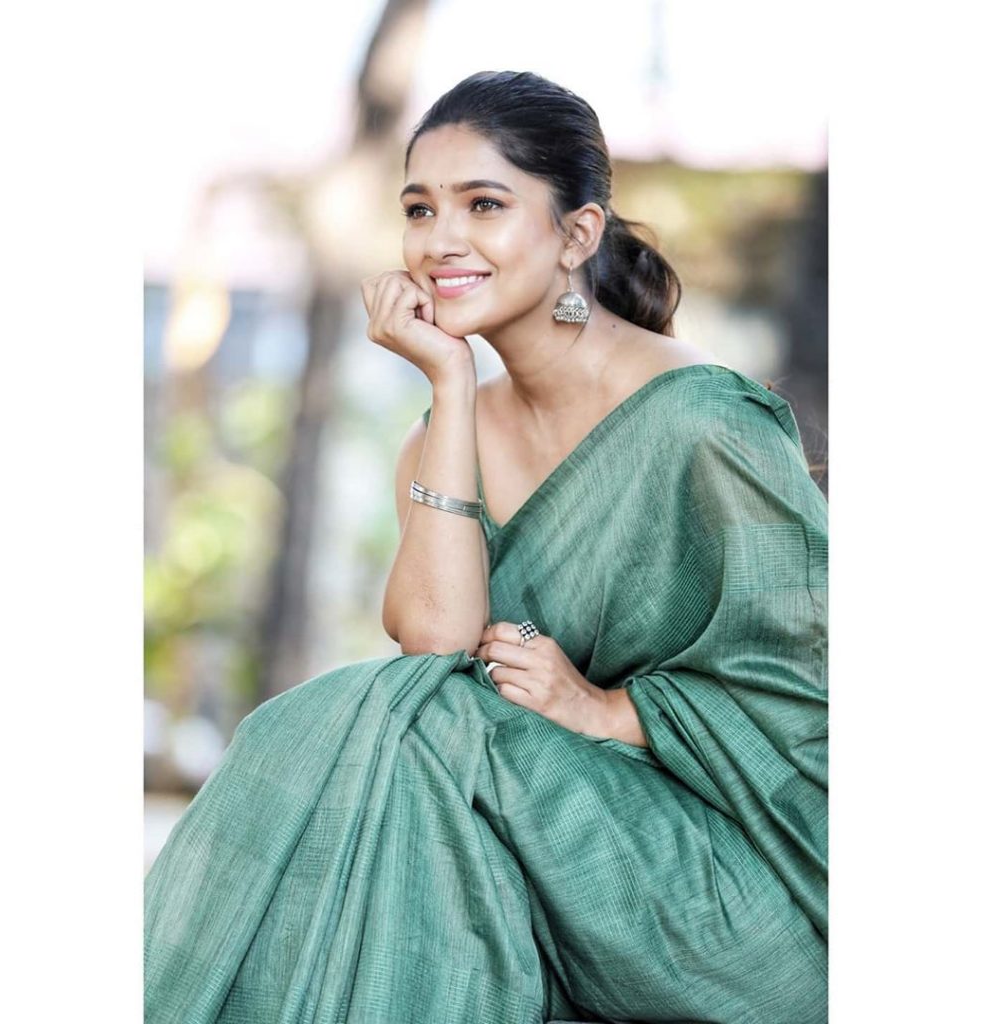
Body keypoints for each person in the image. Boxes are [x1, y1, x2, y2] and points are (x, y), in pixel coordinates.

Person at [144, 70, 828, 1024]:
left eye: (485, 204)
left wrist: (608, 711)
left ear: (577, 235)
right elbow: (435, 641)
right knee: (391, 732)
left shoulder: (703, 423)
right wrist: (452, 387)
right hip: (548, 855)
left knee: (400, 723)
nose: (441, 240)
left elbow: (812, 691)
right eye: (420, 209)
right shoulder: (442, 435)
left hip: (738, 888)